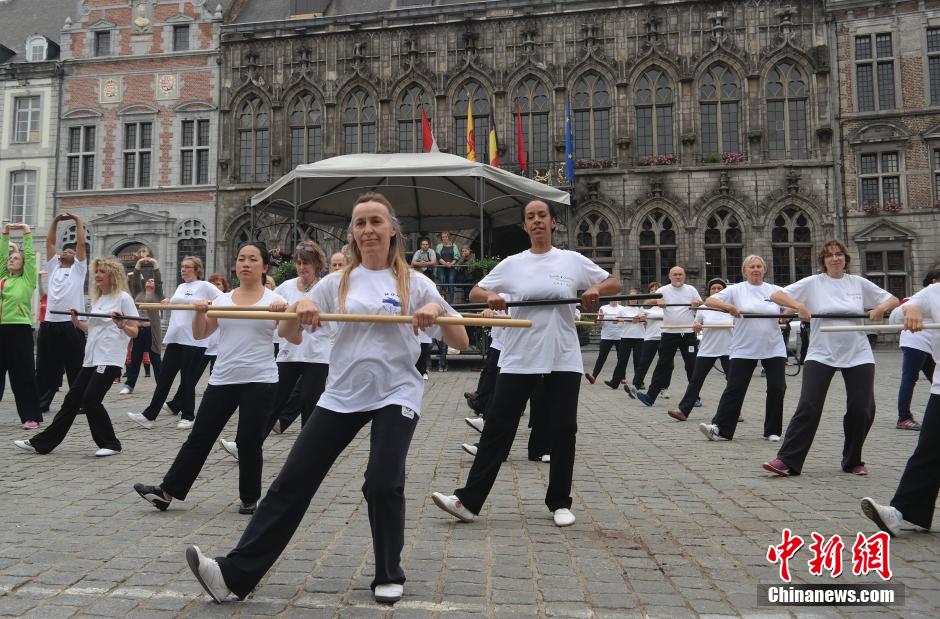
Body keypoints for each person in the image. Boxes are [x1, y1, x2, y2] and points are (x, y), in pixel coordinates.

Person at [181, 192, 468, 605]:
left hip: (396, 391)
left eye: (375, 221)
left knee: (383, 481)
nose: (367, 229)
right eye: (360, 223)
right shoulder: (337, 283)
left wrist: (435, 315)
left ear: (391, 230)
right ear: (352, 233)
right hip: (342, 394)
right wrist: (299, 310)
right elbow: (288, 334)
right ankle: (233, 575)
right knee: (291, 482)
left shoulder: (416, 282)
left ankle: (389, 572)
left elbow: (458, 341)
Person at [432, 199, 620, 529]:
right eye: (530, 217)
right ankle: (468, 501)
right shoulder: (512, 264)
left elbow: (613, 283)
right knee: (497, 427)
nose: (536, 221)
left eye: (542, 216)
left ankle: (560, 501)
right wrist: (490, 297)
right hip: (520, 356)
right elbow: (477, 291)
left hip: (562, 355)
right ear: (525, 225)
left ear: (552, 223)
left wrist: (594, 288)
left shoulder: (571, 260)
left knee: (563, 430)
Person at [133, 241, 289, 516]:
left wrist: (286, 314)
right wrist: (199, 311)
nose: (245, 263)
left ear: (264, 266)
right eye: (241, 258)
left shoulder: (273, 301)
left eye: (253, 259)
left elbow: (292, 335)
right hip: (223, 378)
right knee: (199, 437)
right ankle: (167, 492)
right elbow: (201, 334)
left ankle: (250, 499)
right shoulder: (223, 300)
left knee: (249, 441)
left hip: (260, 379)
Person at [762, 240, 898, 477]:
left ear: (845, 259)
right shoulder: (814, 283)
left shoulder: (857, 283)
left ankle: (853, 460)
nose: (835, 259)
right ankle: (787, 460)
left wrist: (879, 309)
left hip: (857, 352)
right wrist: (798, 306)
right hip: (821, 351)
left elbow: (892, 299)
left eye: (839, 255)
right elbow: (776, 295)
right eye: (829, 256)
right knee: (809, 405)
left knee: (862, 408)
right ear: (823, 261)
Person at [219, 241, 332, 459]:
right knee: (273, 403)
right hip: (288, 353)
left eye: (306, 263)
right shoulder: (286, 287)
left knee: (310, 403)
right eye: (298, 263)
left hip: (317, 354)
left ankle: (307, 453)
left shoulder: (326, 287)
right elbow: (268, 302)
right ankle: (246, 445)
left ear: (316, 265)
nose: (301, 267)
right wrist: (276, 307)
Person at [14, 258, 138, 456]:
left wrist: (122, 324)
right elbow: (94, 328)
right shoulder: (99, 299)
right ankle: (42, 443)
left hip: (109, 358)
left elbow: (134, 331)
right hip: (91, 358)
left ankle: (111, 444)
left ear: (112, 276)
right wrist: (77, 323)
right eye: (96, 271)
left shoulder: (123, 298)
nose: (97, 275)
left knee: (91, 399)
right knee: (72, 400)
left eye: (102, 272)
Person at [860, 280, 940, 537]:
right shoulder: (935, 292)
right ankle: (900, 512)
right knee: (928, 453)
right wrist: (912, 308)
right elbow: (895, 313)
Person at [697, 256, 787, 441]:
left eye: (759, 266)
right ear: (744, 271)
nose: (756, 269)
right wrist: (728, 306)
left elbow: (793, 303)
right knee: (735, 387)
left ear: (765, 269)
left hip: (773, 346)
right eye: (751, 267)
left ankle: (772, 430)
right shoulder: (736, 290)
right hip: (744, 347)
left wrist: (786, 315)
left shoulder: (775, 290)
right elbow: (709, 301)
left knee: (777, 388)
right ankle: (720, 429)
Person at [127, 256, 222, 430]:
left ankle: (188, 415)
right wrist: (168, 301)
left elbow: (223, 300)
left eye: (187, 267)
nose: (183, 270)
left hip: (194, 339)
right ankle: (149, 415)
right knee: (164, 378)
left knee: (187, 379)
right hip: (175, 337)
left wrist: (207, 304)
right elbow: (178, 303)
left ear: (197, 269)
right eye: (182, 266)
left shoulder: (205, 286)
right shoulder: (180, 287)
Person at [36, 213, 88, 418]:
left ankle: (79, 403)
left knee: (76, 366)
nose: (66, 251)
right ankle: (42, 402)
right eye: (64, 250)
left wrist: (77, 220)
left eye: (70, 250)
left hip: (70, 324)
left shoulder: (78, 269)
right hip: (49, 323)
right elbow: (49, 242)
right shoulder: (53, 267)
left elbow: (82, 244)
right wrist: (56, 221)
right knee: (45, 366)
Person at [631, 266, 701, 406]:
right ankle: (650, 397)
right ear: (669, 276)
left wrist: (696, 304)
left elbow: (701, 305)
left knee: (692, 366)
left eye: (680, 274)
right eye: (675, 274)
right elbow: (646, 304)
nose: (678, 277)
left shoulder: (691, 289)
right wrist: (656, 301)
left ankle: (695, 398)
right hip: (669, 333)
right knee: (662, 365)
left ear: (684, 276)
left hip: (687, 334)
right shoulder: (663, 290)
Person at [667, 278, 733, 421]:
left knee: (733, 382)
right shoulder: (704, 309)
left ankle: (734, 412)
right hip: (707, 349)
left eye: (719, 289)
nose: (716, 291)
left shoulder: (732, 308)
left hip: (729, 349)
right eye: (713, 288)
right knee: (696, 380)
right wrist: (696, 327)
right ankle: (683, 411)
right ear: (709, 292)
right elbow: (696, 325)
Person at [1, 222, 42, 429]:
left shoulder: (27, 279)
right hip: (1, 329)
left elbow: (30, 256)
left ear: (24, 265)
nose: (11, 260)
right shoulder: (3, 279)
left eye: (16, 258)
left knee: (23, 375)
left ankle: (31, 416)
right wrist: (5, 234)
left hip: (20, 329)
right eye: (10, 258)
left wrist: (26, 231)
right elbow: (2, 256)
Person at [888, 268, 940, 431]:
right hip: (915, 344)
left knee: (935, 379)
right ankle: (903, 418)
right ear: (933, 282)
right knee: (909, 379)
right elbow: (896, 315)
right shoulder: (920, 297)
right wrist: (910, 309)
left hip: (929, 348)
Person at [122, 277, 164, 394]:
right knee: (135, 358)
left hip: (152, 331)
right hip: (139, 330)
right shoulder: (139, 294)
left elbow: (159, 282)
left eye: (152, 281)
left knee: (155, 359)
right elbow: (134, 279)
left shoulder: (157, 295)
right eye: (147, 280)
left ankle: (161, 386)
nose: (149, 282)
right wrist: (139, 263)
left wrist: (155, 266)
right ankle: (129, 385)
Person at [627, 282, 663, 395]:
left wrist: (651, 316)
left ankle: (664, 388)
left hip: (665, 337)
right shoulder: (645, 306)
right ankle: (635, 386)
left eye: (657, 289)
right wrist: (639, 318)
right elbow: (636, 320)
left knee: (666, 365)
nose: (654, 291)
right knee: (643, 363)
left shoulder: (666, 305)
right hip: (650, 337)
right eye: (652, 290)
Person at [609, 289, 647, 389]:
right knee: (622, 360)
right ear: (628, 300)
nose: (633, 300)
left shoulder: (642, 309)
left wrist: (640, 319)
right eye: (631, 298)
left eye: (635, 298)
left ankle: (639, 383)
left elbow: (645, 321)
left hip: (640, 337)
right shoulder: (623, 310)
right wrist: (616, 320)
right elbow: (614, 321)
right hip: (626, 337)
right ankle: (614, 382)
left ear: (638, 300)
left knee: (638, 361)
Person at [585, 300, 625, 388]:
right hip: (606, 336)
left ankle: (622, 377)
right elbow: (599, 323)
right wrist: (601, 318)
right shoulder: (603, 308)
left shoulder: (623, 308)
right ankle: (593, 376)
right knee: (601, 357)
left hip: (620, 336)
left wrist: (619, 320)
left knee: (621, 357)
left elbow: (626, 322)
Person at [435, 232, 459, 302]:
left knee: (451, 281)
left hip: (451, 266)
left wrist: (451, 263)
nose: (444, 238)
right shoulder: (439, 246)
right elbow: (438, 256)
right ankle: (443, 298)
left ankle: (452, 302)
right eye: (443, 237)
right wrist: (445, 263)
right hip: (441, 266)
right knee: (442, 279)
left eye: (446, 237)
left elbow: (457, 256)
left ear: (448, 237)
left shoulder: (454, 246)